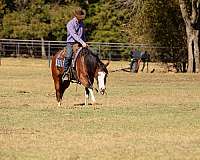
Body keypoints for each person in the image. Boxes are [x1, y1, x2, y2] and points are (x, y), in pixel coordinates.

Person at [62, 7, 88, 81]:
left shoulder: (82, 24)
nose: (81, 18)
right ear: (76, 16)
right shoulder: (70, 24)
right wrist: (82, 42)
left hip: (80, 43)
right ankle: (65, 73)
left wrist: (85, 42)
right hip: (71, 43)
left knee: (88, 55)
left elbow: (83, 34)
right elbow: (74, 35)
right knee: (69, 56)